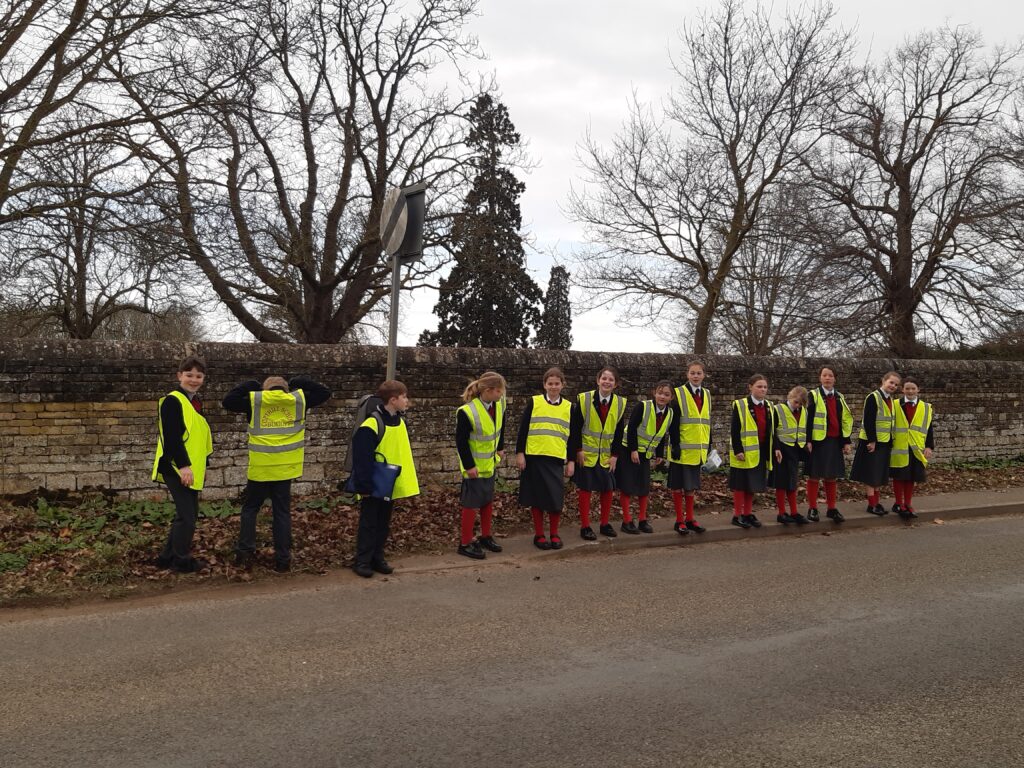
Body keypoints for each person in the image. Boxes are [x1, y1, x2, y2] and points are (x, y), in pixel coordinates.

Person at [223, 374, 331, 572]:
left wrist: (250, 384)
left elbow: (228, 401)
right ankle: (283, 560)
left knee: (250, 510)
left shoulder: (255, 401)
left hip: (261, 468)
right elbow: (324, 392)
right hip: (285, 468)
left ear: (265, 390)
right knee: (281, 513)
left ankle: (245, 554)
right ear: (285, 389)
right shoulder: (297, 401)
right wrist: (299, 381)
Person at [349, 380, 419, 578]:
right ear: (393, 400)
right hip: (372, 484)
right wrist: (364, 486)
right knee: (369, 523)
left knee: (383, 523)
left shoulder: (399, 421)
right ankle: (362, 560)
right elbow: (362, 459)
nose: (407, 401)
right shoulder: (371, 425)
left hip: (389, 483)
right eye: (404, 397)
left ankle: (377, 557)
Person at [152, 355, 213, 573]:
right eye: (189, 375)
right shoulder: (172, 401)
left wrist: (204, 465)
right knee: (187, 516)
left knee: (186, 514)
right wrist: (184, 466)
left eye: (199, 376)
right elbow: (172, 438)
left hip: (190, 468)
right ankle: (181, 561)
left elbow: (199, 437)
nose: (194, 379)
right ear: (180, 376)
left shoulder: (194, 402)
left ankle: (166, 557)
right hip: (176, 467)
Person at [516, 367, 574, 550]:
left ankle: (554, 533)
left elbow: (573, 437)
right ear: (544, 385)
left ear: (562, 385)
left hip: (556, 458)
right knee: (537, 498)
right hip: (534, 457)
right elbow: (523, 429)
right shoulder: (534, 402)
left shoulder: (569, 407)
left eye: (557, 383)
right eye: (550, 383)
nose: (553, 387)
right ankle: (539, 534)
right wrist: (520, 453)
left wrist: (571, 460)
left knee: (555, 499)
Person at [570, 366, 627, 540]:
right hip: (586, 453)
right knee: (586, 489)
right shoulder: (584, 399)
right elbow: (575, 428)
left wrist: (615, 456)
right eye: (604, 378)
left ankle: (604, 523)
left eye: (611, 380)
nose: (607, 382)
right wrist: (577, 450)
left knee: (608, 488)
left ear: (615, 384)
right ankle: (585, 526)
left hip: (606, 455)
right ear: (598, 380)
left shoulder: (620, 403)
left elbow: (618, 432)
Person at [455, 371, 507, 560]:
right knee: (470, 505)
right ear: (488, 390)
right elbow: (461, 442)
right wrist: (469, 466)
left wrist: (500, 448)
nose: (501, 395)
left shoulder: (498, 405)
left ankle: (486, 536)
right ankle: (465, 543)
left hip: (490, 463)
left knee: (487, 501)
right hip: (474, 467)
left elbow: (501, 426)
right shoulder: (467, 411)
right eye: (499, 392)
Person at [616, 380, 674, 534]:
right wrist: (633, 449)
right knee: (627, 487)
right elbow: (632, 427)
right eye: (660, 393)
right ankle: (627, 521)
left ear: (671, 397)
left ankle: (642, 520)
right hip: (629, 450)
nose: (662, 397)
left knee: (643, 488)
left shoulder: (670, 413)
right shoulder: (642, 406)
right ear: (654, 393)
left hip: (647, 454)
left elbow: (662, 434)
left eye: (666, 394)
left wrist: (659, 455)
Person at [728, 374, 781, 529]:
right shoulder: (740, 405)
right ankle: (737, 515)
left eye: (764, 387)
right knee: (740, 485)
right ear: (750, 387)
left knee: (752, 486)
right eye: (759, 386)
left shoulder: (770, 406)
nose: (762, 389)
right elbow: (734, 430)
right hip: (744, 453)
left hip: (761, 452)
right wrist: (738, 449)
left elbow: (773, 431)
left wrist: (776, 448)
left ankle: (747, 513)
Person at [666, 361, 712, 535]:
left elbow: (707, 422)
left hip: (698, 450)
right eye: (692, 373)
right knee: (678, 486)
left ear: (703, 375)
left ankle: (690, 518)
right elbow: (673, 422)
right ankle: (679, 520)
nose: (695, 376)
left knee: (691, 487)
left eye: (699, 373)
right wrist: (675, 444)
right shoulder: (678, 393)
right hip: (681, 449)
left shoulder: (707, 394)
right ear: (687, 374)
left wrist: (709, 445)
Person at [804, 366, 853, 523]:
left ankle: (831, 508)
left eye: (830, 375)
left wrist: (846, 441)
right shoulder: (813, 395)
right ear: (820, 378)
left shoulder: (839, 397)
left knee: (831, 476)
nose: (827, 378)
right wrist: (808, 440)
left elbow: (844, 420)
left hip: (834, 441)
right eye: (824, 375)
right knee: (814, 476)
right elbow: (807, 419)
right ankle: (812, 508)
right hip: (818, 442)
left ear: (835, 379)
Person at [852, 371, 902, 516]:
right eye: (891, 382)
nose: (893, 386)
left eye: (896, 384)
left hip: (885, 441)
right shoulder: (873, 397)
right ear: (883, 381)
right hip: (873, 442)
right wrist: (871, 441)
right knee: (870, 474)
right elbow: (868, 420)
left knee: (879, 474)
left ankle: (877, 503)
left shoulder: (890, 400)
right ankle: (872, 504)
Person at [889, 376, 935, 520]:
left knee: (911, 478)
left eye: (913, 388)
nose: (910, 391)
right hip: (899, 446)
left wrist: (929, 446)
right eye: (907, 388)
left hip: (916, 447)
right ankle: (898, 504)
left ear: (918, 390)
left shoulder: (926, 407)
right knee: (899, 476)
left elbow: (929, 428)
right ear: (902, 389)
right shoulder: (894, 404)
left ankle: (908, 504)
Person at [770, 386, 811, 525]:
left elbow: (806, 428)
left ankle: (794, 512)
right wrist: (776, 448)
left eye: (800, 403)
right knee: (781, 482)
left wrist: (808, 442)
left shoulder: (803, 411)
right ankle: (781, 513)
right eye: (795, 402)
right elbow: (773, 431)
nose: (797, 405)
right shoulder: (778, 409)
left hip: (795, 449)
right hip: (782, 448)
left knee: (792, 482)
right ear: (789, 397)